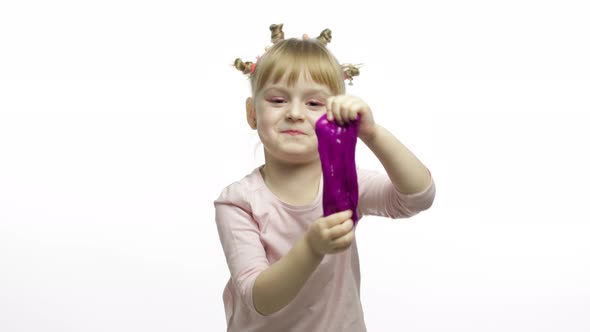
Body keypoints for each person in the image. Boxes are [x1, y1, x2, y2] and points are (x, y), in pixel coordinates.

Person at [214, 24, 436, 332]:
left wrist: (372, 133)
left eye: (314, 103)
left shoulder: (346, 182)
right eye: (278, 100)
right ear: (252, 113)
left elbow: (417, 196)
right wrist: (311, 247)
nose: (294, 113)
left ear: (334, 112)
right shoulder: (238, 202)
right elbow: (258, 298)